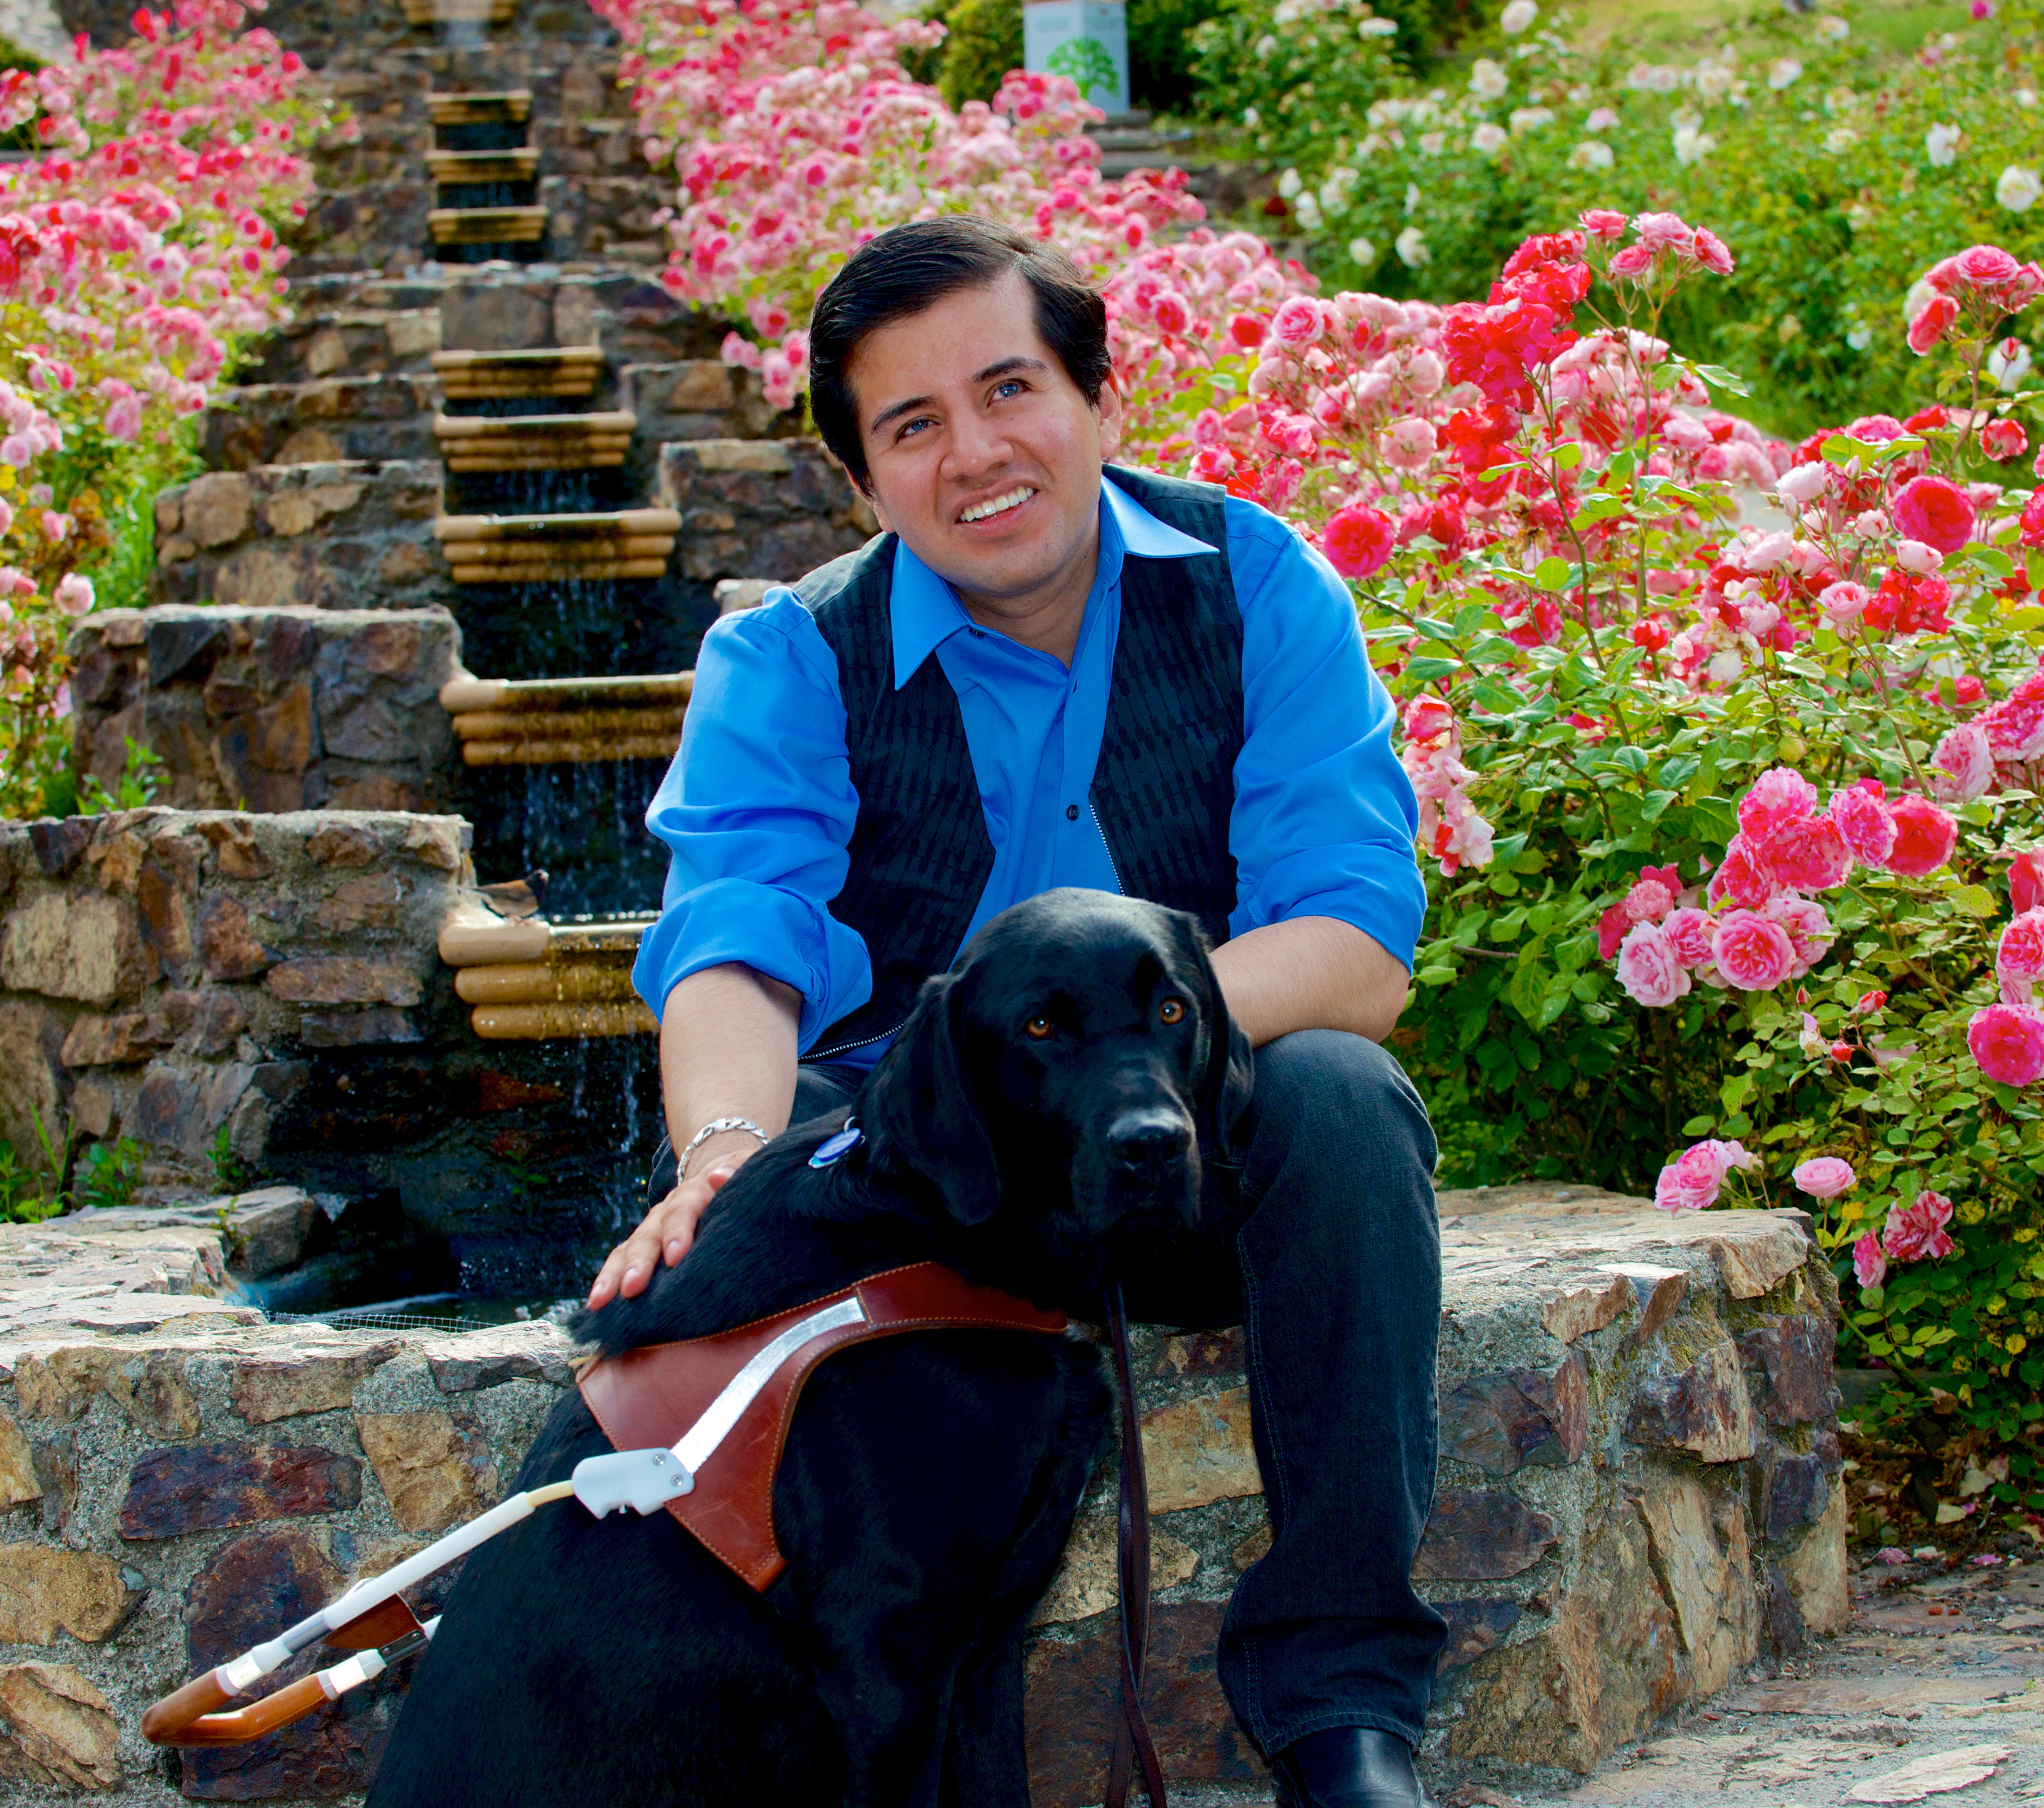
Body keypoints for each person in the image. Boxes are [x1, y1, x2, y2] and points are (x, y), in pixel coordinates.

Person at [592, 215, 1445, 1808]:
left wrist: (1112, 1064)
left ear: (1098, 397)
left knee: (1336, 1093)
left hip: (1186, 1148)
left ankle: (1339, 1716)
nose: (974, 453)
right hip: (929, 1174)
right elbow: (735, 938)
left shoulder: (1258, 586)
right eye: (911, 426)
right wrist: (721, 1144)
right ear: (861, 482)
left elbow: (1349, 940)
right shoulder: (785, 659)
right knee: (750, 1216)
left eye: (1010, 389)